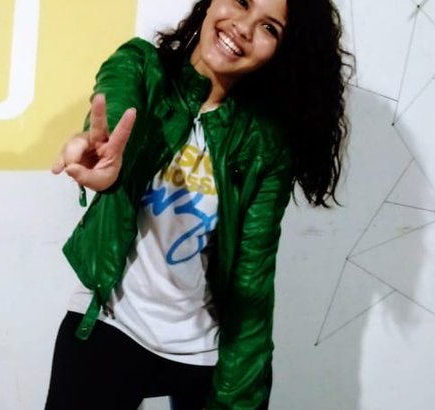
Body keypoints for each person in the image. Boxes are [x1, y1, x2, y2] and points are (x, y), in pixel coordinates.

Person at [46, 0, 352, 408]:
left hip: (200, 351)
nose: (243, 27)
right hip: (111, 322)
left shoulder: (263, 143)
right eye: (241, 1)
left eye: (269, 28)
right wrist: (102, 155)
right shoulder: (142, 66)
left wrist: (240, 396)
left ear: (281, 50)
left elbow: (252, 280)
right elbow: (116, 107)